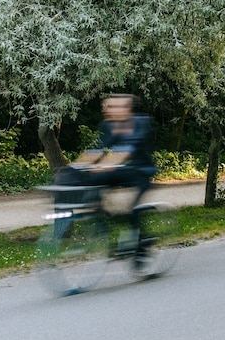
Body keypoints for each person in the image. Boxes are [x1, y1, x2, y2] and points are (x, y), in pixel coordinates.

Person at [55, 94, 157, 249]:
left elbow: (127, 150)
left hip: (141, 170)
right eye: (105, 107)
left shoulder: (139, 123)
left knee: (133, 209)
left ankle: (141, 243)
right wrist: (73, 168)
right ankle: (103, 226)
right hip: (120, 170)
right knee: (90, 187)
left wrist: (106, 165)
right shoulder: (108, 125)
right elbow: (95, 151)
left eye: (112, 107)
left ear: (126, 108)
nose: (106, 110)